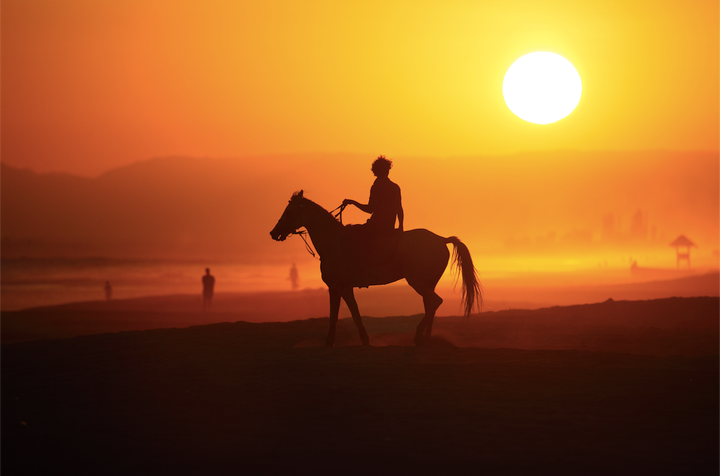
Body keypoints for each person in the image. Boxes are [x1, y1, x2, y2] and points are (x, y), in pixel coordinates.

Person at [343, 155, 404, 233]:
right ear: (388, 170)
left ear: (375, 171)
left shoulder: (376, 187)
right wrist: (401, 225)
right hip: (390, 226)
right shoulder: (395, 187)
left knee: (351, 232)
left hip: (376, 226)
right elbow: (399, 208)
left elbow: (370, 209)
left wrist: (353, 202)